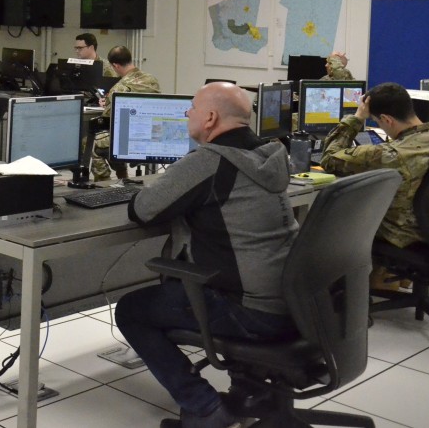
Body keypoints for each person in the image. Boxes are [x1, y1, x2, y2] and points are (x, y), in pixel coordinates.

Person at [116, 82, 299, 428]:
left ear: (211, 118)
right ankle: (250, 391)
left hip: (251, 310)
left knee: (131, 310)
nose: (188, 114)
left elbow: (142, 210)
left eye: (192, 108)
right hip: (295, 301)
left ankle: (205, 408)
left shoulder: (209, 161)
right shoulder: (270, 154)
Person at [319, 82, 429, 290]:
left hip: (406, 238)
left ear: (386, 120)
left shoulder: (390, 154)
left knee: (337, 217)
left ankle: (340, 293)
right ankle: (393, 280)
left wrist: (357, 118)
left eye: (377, 121)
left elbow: (329, 158)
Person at [91, 46, 161, 179]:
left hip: (131, 138)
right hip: (153, 134)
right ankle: (122, 175)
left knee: (94, 143)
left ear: (115, 65)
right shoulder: (152, 80)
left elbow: (108, 118)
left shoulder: (119, 88)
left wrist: (106, 104)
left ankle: (103, 182)